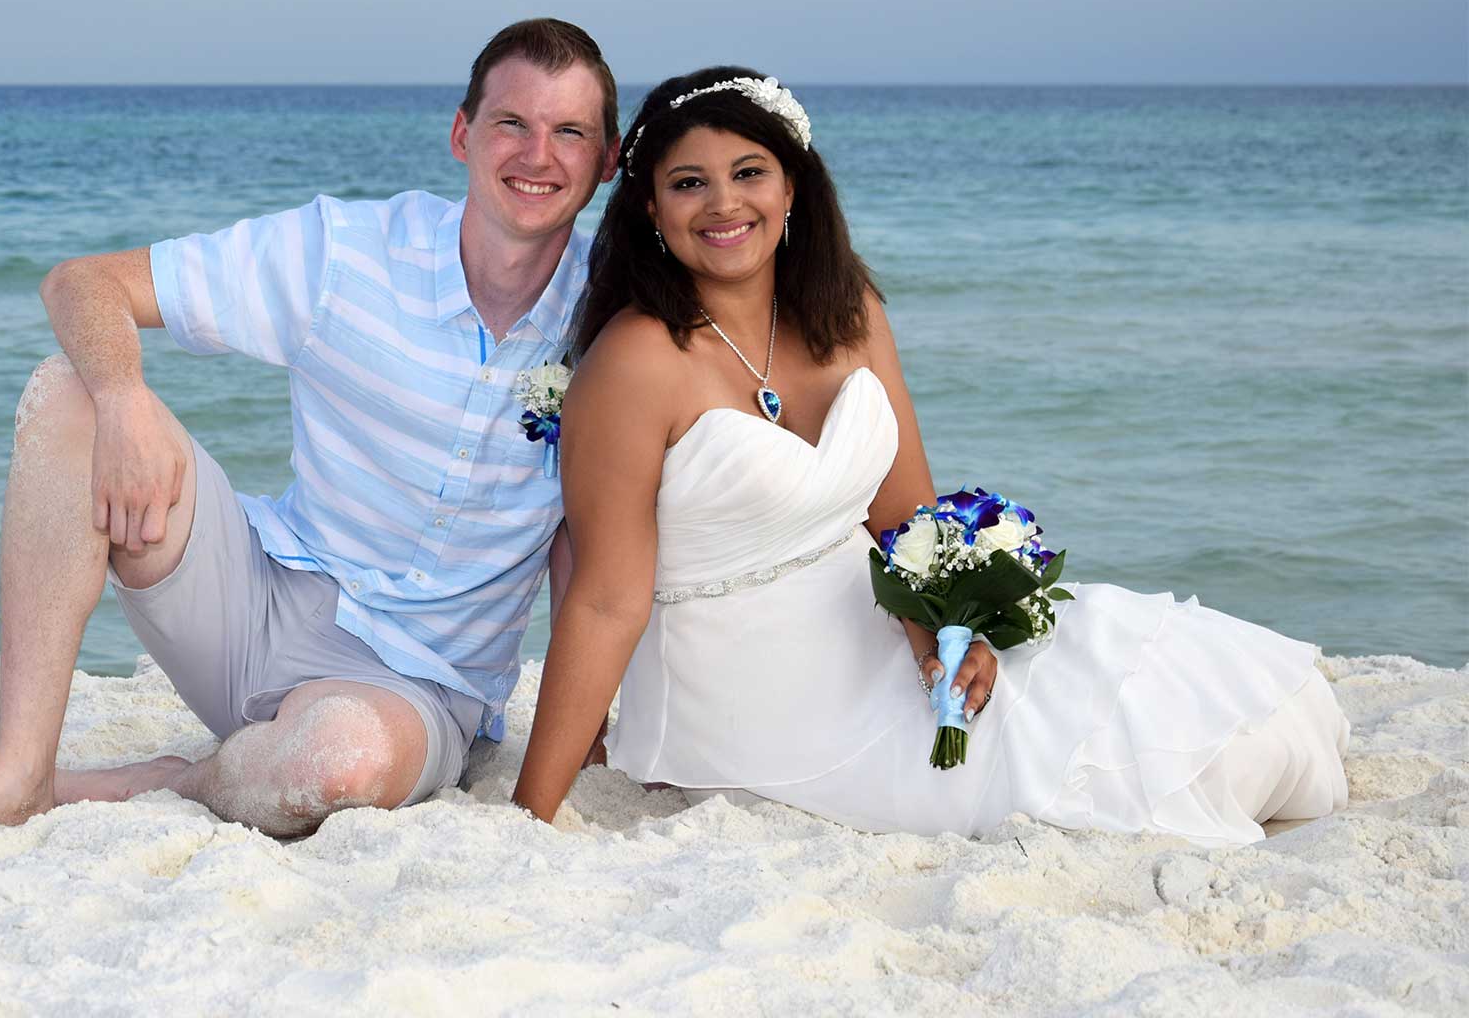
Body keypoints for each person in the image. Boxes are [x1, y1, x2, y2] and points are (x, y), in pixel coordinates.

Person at [512, 67, 1349, 845]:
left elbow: (906, 520)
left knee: (1176, 684)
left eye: (749, 171)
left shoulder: (850, 311)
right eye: (688, 182)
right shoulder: (635, 362)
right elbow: (604, 601)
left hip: (876, 624)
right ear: (650, 209)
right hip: (749, 691)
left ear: (794, 184)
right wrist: (531, 812)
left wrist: (946, 635)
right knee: (1069, 768)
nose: (723, 203)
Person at [0, 18, 621, 835]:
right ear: (463, 134)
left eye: (569, 132)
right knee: (66, 394)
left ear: (606, 164)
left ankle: (180, 782)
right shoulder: (345, 251)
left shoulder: (613, 319)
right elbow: (82, 285)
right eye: (512, 122)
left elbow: (595, 538)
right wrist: (124, 400)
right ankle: (18, 772)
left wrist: (594, 733)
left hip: (419, 688)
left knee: (337, 765)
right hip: (255, 599)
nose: (539, 155)